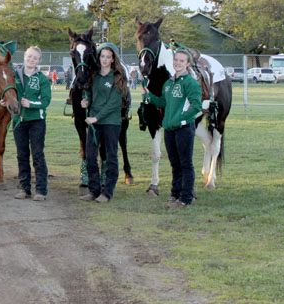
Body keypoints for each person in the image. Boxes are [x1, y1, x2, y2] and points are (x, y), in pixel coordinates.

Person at [142, 48, 202, 207]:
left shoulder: (191, 83)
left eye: (182, 61)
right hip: (169, 129)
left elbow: (196, 106)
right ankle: (174, 195)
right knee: (174, 164)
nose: (178, 63)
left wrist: (181, 119)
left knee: (185, 164)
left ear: (188, 64)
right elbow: (163, 103)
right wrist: (149, 96)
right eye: (176, 60)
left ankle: (186, 198)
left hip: (184, 129)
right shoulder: (168, 84)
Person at [79, 42, 128, 203]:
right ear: (99, 58)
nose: (105, 60)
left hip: (110, 123)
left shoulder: (117, 77)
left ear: (113, 59)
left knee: (111, 157)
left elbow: (113, 103)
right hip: (94, 122)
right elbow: (92, 96)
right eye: (102, 56)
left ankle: (107, 192)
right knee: (91, 156)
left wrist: (96, 117)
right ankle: (94, 190)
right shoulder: (95, 76)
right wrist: (86, 101)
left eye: (108, 57)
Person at [12, 46, 51, 201]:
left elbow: (46, 100)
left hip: (36, 121)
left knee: (38, 155)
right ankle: (24, 188)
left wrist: (31, 104)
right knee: (22, 155)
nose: (31, 60)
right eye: (29, 56)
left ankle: (41, 190)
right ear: (24, 57)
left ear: (38, 61)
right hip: (18, 121)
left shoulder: (41, 78)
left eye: (35, 58)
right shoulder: (15, 75)